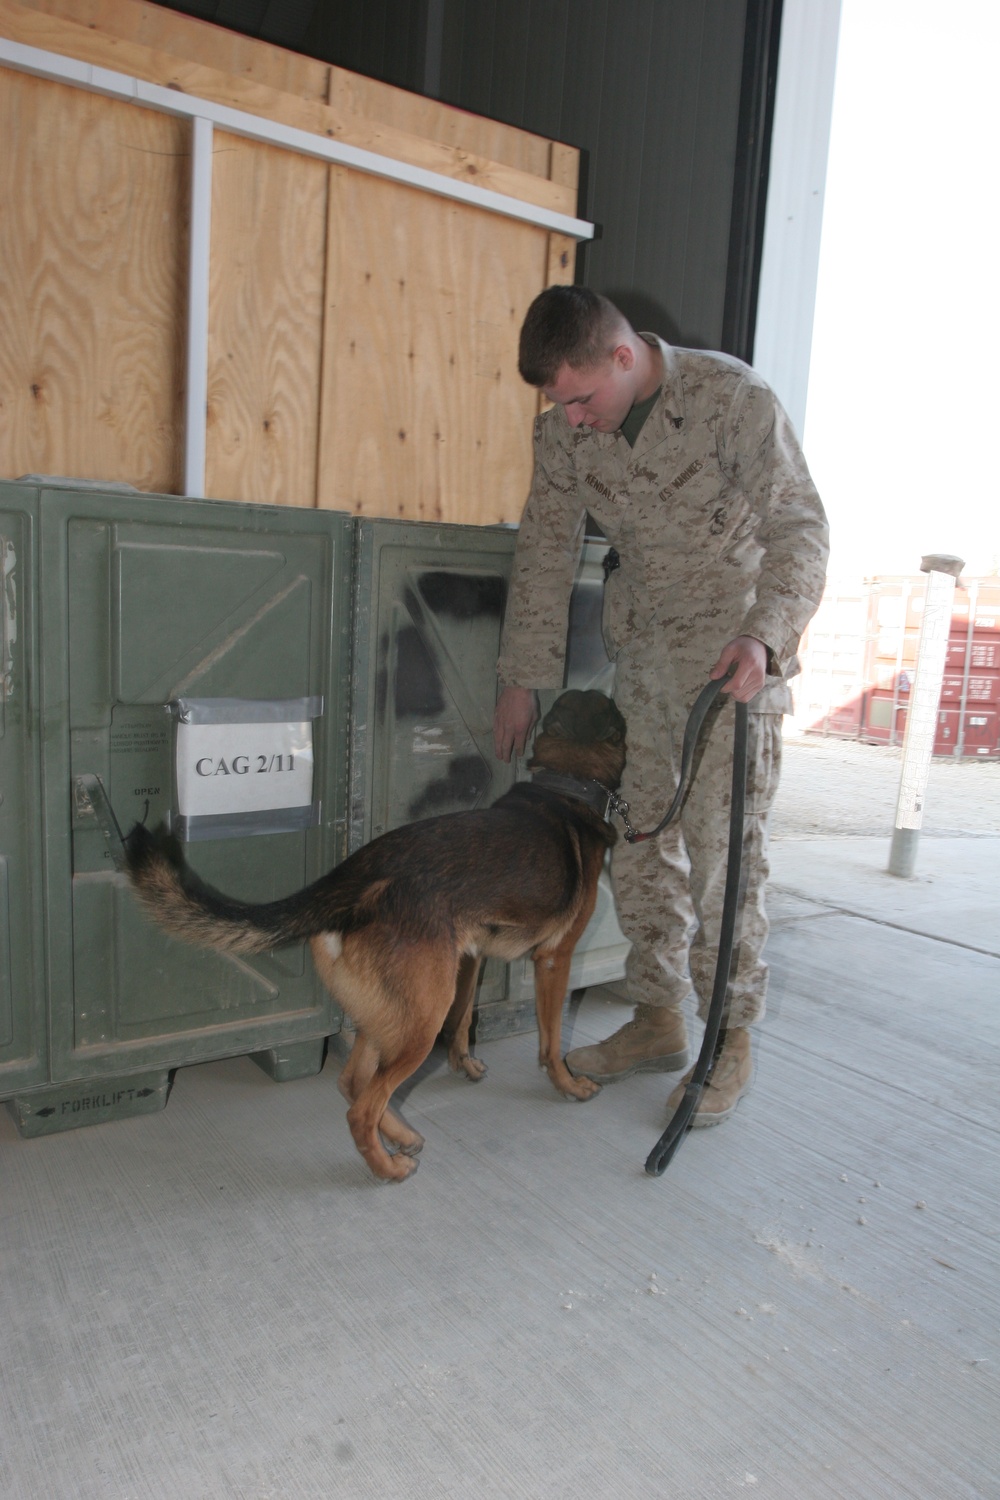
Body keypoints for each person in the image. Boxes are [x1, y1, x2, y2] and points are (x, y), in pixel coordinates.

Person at [492, 286, 829, 1125]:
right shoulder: (565, 434)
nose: (571, 420)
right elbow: (543, 548)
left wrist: (765, 636)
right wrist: (520, 677)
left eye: (579, 398)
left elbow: (801, 528)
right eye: (556, 403)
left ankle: (729, 1040)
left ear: (623, 356)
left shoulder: (731, 399)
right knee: (642, 846)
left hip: (732, 665)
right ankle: (658, 1018)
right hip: (644, 662)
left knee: (724, 862)